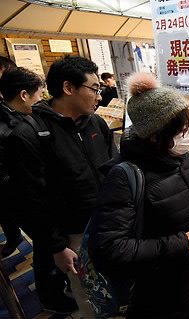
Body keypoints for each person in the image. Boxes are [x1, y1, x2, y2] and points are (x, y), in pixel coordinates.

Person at [88, 72, 189, 318]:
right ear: (154, 135)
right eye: (179, 129)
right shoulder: (124, 176)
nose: (187, 134)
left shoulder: (181, 157)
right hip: (158, 296)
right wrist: (181, 244)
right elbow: (109, 250)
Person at [9, 55, 117, 317]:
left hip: (112, 224)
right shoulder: (28, 134)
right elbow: (32, 200)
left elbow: (113, 168)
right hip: (74, 235)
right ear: (68, 88)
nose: (99, 96)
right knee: (90, 296)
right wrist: (57, 246)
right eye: (94, 89)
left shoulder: (96, 123)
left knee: (120, 290)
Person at [0, 67, 44, 258]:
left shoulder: (13, 116)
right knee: (46, 246)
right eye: (40, 95)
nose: (42, 100)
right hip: (25, 202)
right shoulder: (14, 131)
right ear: (24, 95)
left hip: (20, 201)